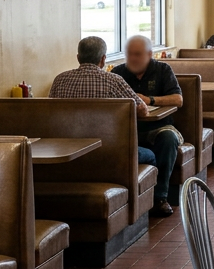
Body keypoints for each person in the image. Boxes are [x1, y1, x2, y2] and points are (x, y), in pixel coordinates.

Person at [50, 36, 167, 207]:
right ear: (103, 59)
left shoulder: (60, 80)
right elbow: (142, 109)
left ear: (78, 57)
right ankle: (144, 210)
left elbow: (51, 112)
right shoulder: (113, 81)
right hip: (108, 153)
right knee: (150, 155)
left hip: (68, 153)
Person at [112, 35, 186, 217]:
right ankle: (127, 204)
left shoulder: (162, 70)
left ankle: (159, 198)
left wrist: (151, 100)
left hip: (159, 128)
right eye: (129, 54)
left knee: (168, 139)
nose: (133, 59)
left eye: (137, 54)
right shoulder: (117, 73)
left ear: (149, 54)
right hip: (128, 130)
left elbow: (178, 100)